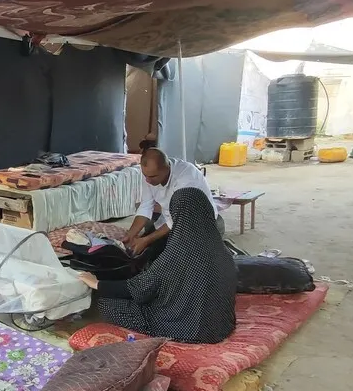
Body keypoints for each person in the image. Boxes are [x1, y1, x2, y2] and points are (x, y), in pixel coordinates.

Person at [78, 188, 236, 344]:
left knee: (107, 304)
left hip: (184, 329)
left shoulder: (175, 254)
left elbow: (139, 290)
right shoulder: (224, 251)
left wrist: (97, 284)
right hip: (219, 327)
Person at [125, 146, 217, 262]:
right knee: (141, 250)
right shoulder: (150, 174)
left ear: (166, 168)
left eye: (152, 176)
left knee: (168, 258)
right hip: (170, 218)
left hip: (194, 221)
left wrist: (146, 240)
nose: (147, 180)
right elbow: (146, 205)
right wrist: (130, 234)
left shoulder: (186, 179)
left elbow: (176, 220)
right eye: (145, 175)